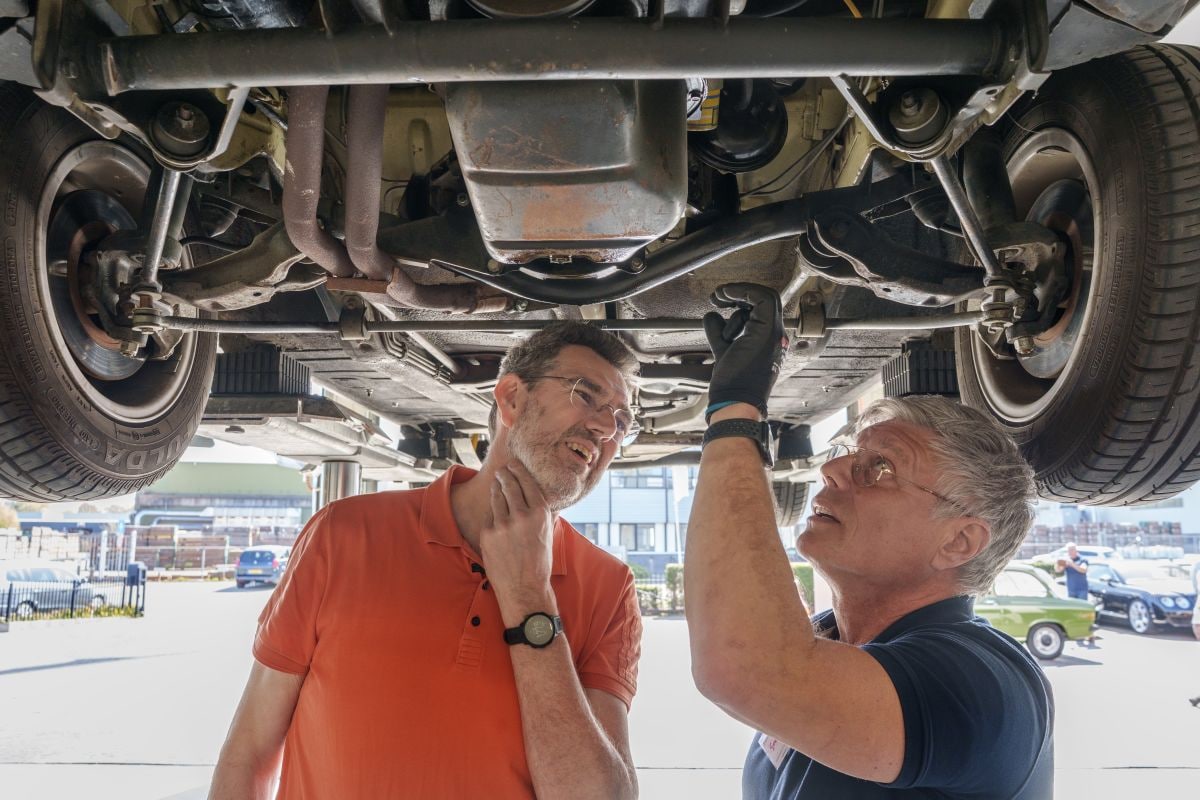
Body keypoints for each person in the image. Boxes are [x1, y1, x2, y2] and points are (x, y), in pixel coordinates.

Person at [209, 321, 643, 799]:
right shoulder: (343, 533)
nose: (607, 428)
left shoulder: (608, 586)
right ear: (512, 399)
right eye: (586, 395)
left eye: (622, 422)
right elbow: (249, 752)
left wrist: (529, 600)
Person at [684, 283, 1054, 799]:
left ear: (958, 541)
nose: (832, 470)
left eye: (880, 468)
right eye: (847, 455)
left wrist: (734, 412)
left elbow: (744, 666)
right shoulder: (826, 643)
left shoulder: (982, 682)